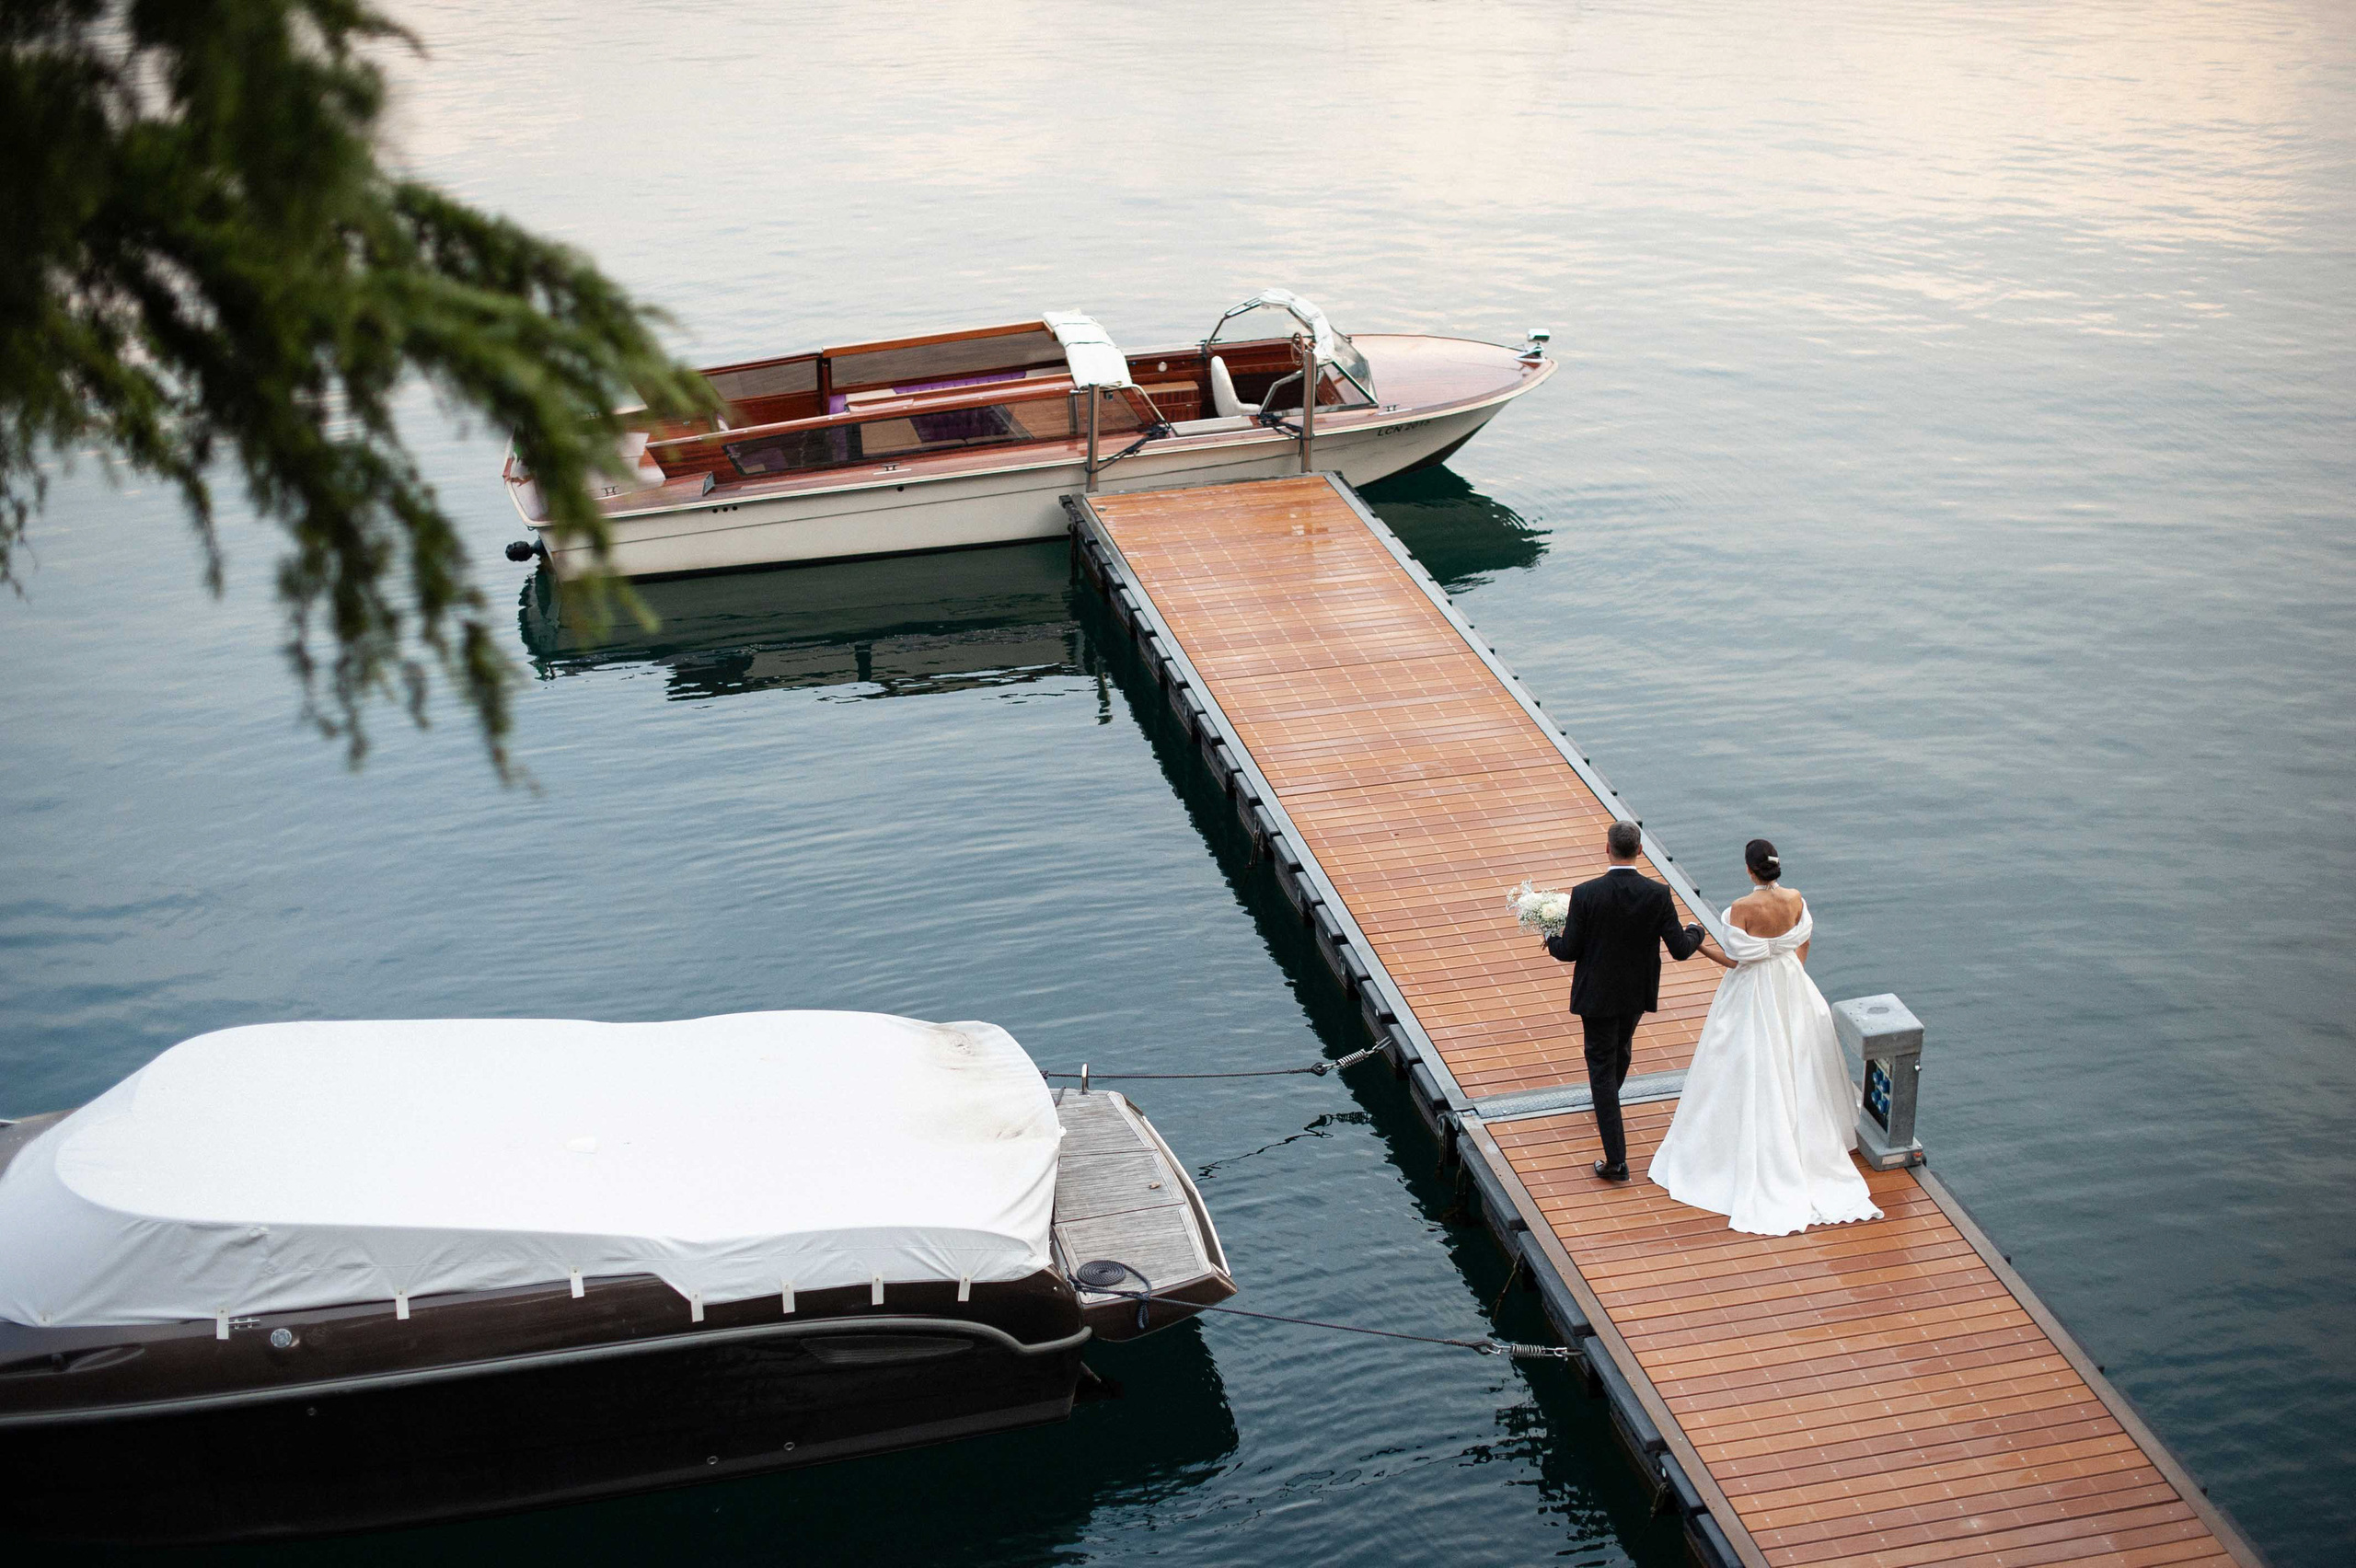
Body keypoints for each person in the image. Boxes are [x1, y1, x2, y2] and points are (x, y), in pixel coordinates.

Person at [1648, 838, 1882, 1235]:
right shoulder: (1795, 899)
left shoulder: (1742, 909)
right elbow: (1804, 938)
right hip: (1792, 983)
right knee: (1800, 1055)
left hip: (1754, 990)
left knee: (1743, 1057)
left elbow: (1737, 959)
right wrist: (1790, 969)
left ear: (1748, 869)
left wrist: (1700, 944)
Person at [1542, 821, 1707, 1182]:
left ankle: (1616, 1162)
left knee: (1601, 1067)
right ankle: (1608, 1103)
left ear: (1607, 849)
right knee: (1623, 1049)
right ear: (1640, 851)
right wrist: (1697, 931)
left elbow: (1568, 951)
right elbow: (1680, 949)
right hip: (1636, 992)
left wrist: (1549, 936)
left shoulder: (1585, 893)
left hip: (1597, 995)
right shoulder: (1658, 894)